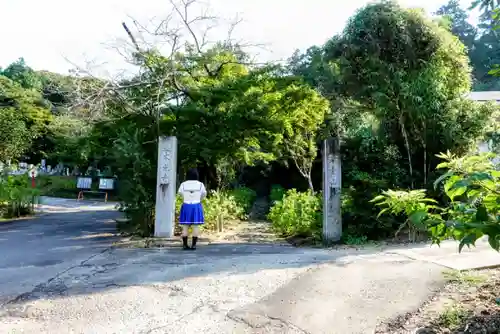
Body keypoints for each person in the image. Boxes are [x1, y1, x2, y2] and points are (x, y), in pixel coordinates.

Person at [178, 168, 207, 250]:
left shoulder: (183, 184)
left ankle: (185, 245)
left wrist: (186, 198)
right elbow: (204, 194)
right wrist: (198, 199)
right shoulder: (200, 184)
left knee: (185, 226)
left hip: (186, 205)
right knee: (195, 226)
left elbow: (180, 193)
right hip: (196, 205)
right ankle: (194, 245)